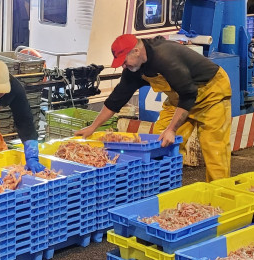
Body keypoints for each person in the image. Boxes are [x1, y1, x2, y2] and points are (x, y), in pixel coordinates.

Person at [75, 33, 232, 182]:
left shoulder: (165, 57)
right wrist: (93, 128)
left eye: (124, 60)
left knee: (214, 149)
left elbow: (189, 93)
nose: (123, 66)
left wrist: (172, 129)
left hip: (211, 94)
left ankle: (221, 195)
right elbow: (116, 100)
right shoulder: (133, 69)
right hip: (179, 99)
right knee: (159, 143)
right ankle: (165, 185)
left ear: (136, 51)